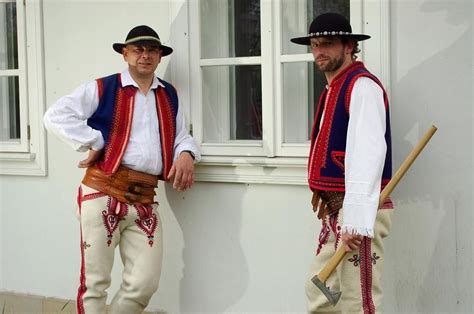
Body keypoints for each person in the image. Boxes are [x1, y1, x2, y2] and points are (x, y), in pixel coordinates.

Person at [44, 25, 201, 314]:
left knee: (144, 284)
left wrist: (187, 153)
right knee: (95, 283)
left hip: (144, 199)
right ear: (125, 53)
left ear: (159, 56)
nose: (145, 55)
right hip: (102, 191)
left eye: (152, 50)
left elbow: (180, 135)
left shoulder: (169, 95)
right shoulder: (103, 87)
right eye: (138, 50)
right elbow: (55, 115)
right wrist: (93, 140)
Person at [291, 13, 394, 313]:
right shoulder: (334, 89)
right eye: (314, 44)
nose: (319, 51)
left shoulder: (361, 88)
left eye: (328, 44)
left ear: (349, 46)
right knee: (320, 291)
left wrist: (355, 221)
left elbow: (368, 154)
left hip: (358, 213)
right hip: (337, 214)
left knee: (358, 302)